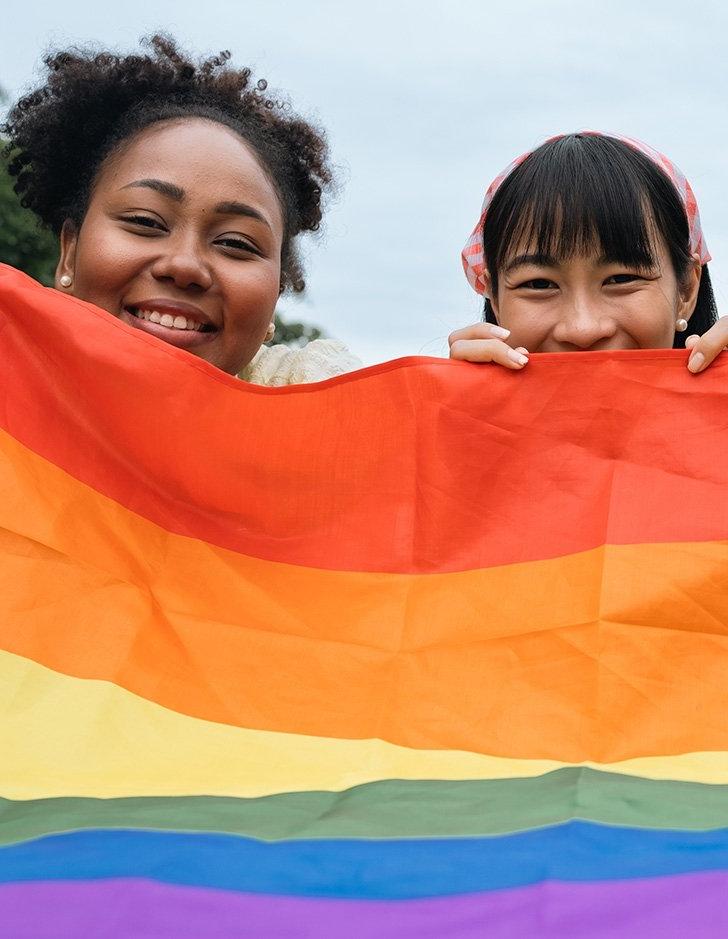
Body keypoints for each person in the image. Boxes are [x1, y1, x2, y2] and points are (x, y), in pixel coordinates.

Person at [3, 35, 361, 385]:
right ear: (69, 254)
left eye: (236, 243)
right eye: (145, 221)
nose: (184, 266)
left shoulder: (333, 414)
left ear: (275, 292)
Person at [449, 132, 726, 374]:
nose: (583, 330)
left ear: (686, 290)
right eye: (539, 284)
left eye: (620, 279)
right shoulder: (444, 426)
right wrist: (450, 418)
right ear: (495, 298)